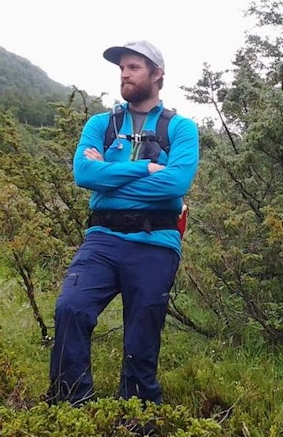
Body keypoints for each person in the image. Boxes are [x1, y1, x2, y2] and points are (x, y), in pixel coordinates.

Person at [47, 40, 199, 406]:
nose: (124, 74)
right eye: (122, 68)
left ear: (157, 74)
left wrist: (109, 174)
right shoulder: (101, 124)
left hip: (156, 241)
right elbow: (83, 173)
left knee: (141, 336)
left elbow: (177, 182)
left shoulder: (181, 128)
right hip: (102, 239)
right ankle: (70, 407)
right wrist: (143, 168)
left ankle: (137, 415)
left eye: (133, 67)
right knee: (71, 309)